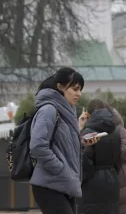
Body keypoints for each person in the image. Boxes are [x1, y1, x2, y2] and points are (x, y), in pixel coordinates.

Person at [30, 67, 99, 214]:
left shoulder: (66, 111)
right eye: (75, 89)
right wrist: (60, 169)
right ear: (60, 86)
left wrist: (81, 143)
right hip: (50, 184)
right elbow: (37, 146)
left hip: (64, 183)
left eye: (80, 89)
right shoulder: (49, 110)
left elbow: (60, 145)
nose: (79, 94)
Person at [79, 99, 122, 214]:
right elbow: (118, 161)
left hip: (92, 184)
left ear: (88, 114)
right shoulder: (116, 132)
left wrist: (80, 129)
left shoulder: (87, 133)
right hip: (112, 179)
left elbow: (83, 165)